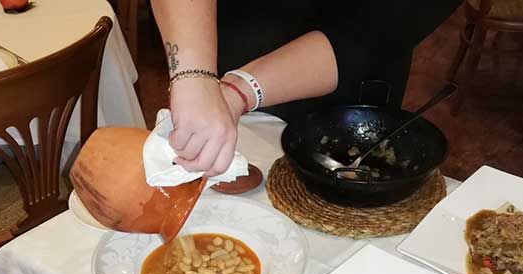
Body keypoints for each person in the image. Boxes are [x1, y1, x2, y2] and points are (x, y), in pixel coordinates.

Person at [150, 0, 461, 176]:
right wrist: (194, 76)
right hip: (218, 52)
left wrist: (235, 92)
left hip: (345, 95)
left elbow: (372, 32)